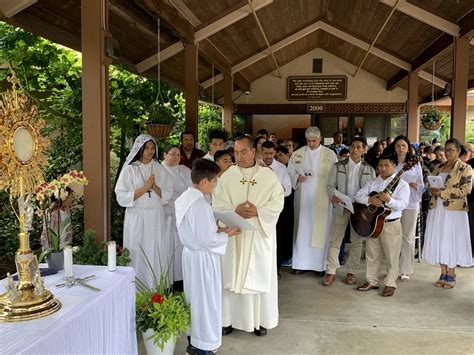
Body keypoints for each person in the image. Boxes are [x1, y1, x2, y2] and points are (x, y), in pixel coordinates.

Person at [212, 135, 284, 337]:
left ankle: (259, 320)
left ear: (254, 152)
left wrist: (259, 212)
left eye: (243, 151)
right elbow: (216, 203)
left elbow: (278, 202)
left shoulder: (268, 176)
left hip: (257, 235)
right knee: (230, 275)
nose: (239, 155)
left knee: (257, 275)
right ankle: (228, 319)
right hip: (235, 233)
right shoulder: (227, 176)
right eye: (236, 151)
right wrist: (234, 210)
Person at [175, 159, 240, 355]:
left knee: (194, 300)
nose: (215, 185)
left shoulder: (185, 197)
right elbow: (207, 240)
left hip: (191, 255)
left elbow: (196, 230)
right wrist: (226, 234)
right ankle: (204, 347)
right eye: (214, 181)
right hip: (202, 258)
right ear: (204, 182)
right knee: (206, 302)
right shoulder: (200, 204)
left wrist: (217, 229)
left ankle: (193, 344)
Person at [115, 134, 173, 288]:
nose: (150, 151)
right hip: (137, 217)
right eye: (147, 148)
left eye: (153, 148)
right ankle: (137, 288)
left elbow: (168, 194)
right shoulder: (129, 170)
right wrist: (145, 188)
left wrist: (154, 187)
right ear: (139, 149)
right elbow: (121, 196)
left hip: (155, 216)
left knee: (156, 250)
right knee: (137, 251)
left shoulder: (159, 168)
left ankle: (156, 288)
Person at [355, 153, 410, 297]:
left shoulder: (402, 184)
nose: (383, 168)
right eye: (380, 166)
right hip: (373, 223)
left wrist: (390, 200)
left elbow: (403, 205)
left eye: (387, 165)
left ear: (394, 166)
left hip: (391, 224)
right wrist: (369, 199)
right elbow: (357, 195)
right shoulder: (373, 182)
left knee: (392, 256)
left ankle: (390, 283)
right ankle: (371, 280)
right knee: (372, 254)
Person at [323, 137, 376, 286]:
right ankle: (331, 271)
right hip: (341, 207)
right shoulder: (338, 166)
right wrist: (333, 196)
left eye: (359, 147)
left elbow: (372, 192)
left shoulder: (369, 169)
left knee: (357, 242)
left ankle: (351, 271)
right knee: (335, 240)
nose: (355, 150)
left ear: (364, 150)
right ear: (349, 148)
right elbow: (329, 186)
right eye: (353, 146)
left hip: (359, 210)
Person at [423, 138, 473, 289]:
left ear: (458, 152)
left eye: (451, 149)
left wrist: (442, 193)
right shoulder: (439, 167)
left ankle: (451, 272)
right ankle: (443, 271)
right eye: (446, 149)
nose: (448, 152)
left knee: (451, 239)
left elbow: (466, 190)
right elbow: (430, 182)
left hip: (454, 210)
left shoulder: (465, 168)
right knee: (440, 239)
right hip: (437, 209)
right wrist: (431, 188)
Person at [288, 127, 337, 275]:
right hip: (303, 198)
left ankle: (319, 266)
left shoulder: (330, 154)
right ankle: (300, 264)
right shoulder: (297, 154)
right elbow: (289, 172)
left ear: (320, 139)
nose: (311, 144)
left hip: (322, 198)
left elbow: (335, 176)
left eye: (314, 141)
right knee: (302, 229)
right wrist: (297, 178)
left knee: (321, 230)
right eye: (309, 141)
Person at [385, 136, 424, 282]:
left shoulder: (415, 164)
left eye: (403, 145)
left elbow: (422, 185)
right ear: (394, 148)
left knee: (407, 237)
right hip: (393, 204)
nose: (401, 148)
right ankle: (392, 268)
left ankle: (405, 269)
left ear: (408, 148)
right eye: (398, 146)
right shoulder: (391, 163)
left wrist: (416, 186)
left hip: (411, 204)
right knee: (392, 237)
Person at [162, 145, 193, 287]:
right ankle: (171, 278)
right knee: (171, 246)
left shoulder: (185, 170)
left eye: (178, 155)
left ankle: (183, 277)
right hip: (168, 212)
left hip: (185, 212)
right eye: (172, 154)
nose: (175, 157)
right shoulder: (160, 170)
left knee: (183, 244)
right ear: (164, 155)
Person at [261, 140, 292, 276]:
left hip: (276, 210)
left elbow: (288, 189)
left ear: (275, 153)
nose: (268, 156)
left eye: (271, 153)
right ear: (261, 152)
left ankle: (276, 269)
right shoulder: (255, 166)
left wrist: (275, 191)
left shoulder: (281, 168)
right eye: (266, 153)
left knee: (277, 239)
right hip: (259, 210)